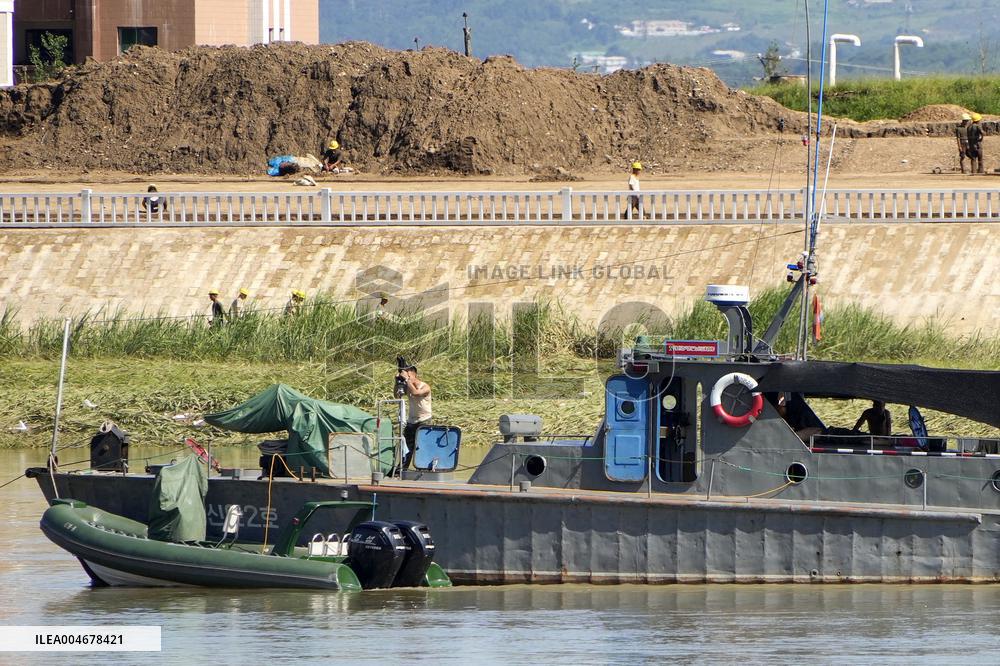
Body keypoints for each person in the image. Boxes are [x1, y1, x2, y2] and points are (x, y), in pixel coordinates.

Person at [398, 361, 432, 471]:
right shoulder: (408, 386)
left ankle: (423, 469)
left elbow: (417, 393)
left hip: (424, 420)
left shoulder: (425, 386)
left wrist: (407, 380)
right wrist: (397, 382)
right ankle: (402, 469)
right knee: (407, 446)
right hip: (411, 420)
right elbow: (397, 395)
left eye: (407, 373)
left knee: (422, 446)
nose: (405, 376)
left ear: (413, 373)